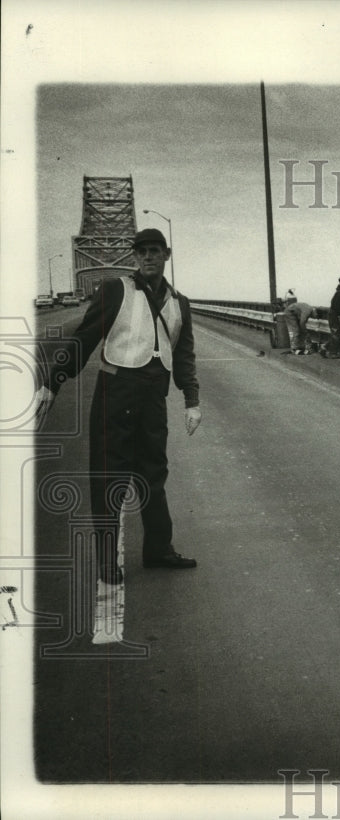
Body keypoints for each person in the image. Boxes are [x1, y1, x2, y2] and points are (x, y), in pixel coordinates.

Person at [34, 227, 201, 584]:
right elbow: (86, 337)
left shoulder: (179, 302)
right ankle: (107, 561)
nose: (149, 257)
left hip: (153, 398)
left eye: (155, 251)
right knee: (110, 477)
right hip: (116, 393)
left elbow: (183, 353)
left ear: (166, 255)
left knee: (154, 475)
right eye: (142, 252)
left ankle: (159, 550)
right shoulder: (116, 289)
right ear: (134, 257)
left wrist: (192, 400)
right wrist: (53, 381)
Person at [321, 275, 340, 358]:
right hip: (334, 316)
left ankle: (325, 347)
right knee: (337, 335)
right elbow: (338, 310)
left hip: (333, 315)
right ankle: (332, 353)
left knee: (336, 334)